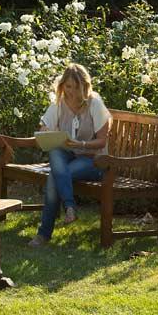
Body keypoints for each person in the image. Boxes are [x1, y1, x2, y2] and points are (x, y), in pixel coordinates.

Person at [28, 63, 112, 246]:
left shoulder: (94, 103)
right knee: (56, 151)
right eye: (68, 86)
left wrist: (81, 144)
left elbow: (102, 142)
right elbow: (44, 130)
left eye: (76, 87)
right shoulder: (59, 102)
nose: (71, 91)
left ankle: (44, 234)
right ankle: (70, 207)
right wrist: (46, 131)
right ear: (62, 85)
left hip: (94, 161)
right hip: (68, 158)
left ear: (84, 86)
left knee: (53, 178)